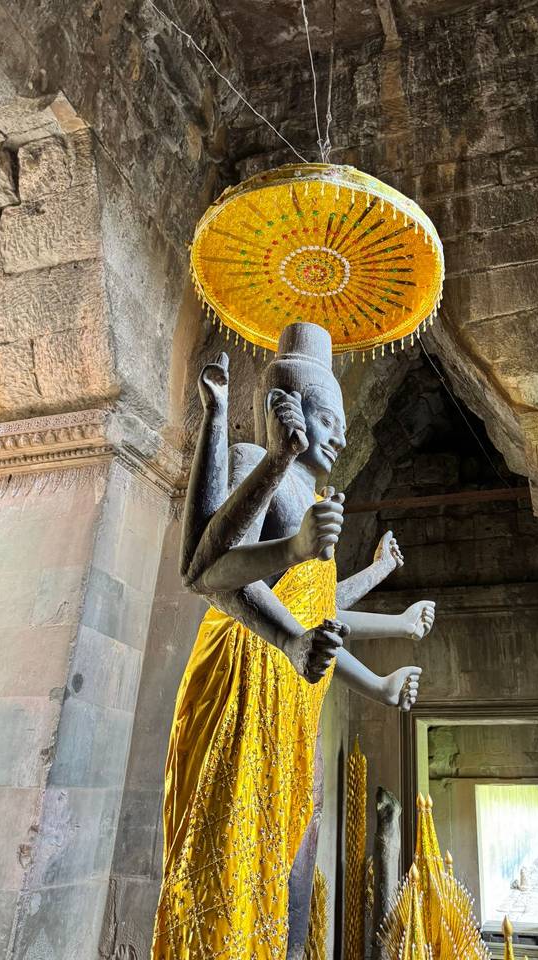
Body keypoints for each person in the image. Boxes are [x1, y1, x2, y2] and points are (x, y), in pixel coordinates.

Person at [151, 323, 435, 959]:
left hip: (291, 697)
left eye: (339, 418)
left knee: (287, 871)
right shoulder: (257, 464)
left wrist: (385, 603)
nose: (339, 433)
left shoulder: (316, 495)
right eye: (327, 417)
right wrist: (250, 438)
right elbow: (206, 568)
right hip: (243, 682)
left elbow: (315, 609)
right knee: (227, 863)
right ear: (290, 409)